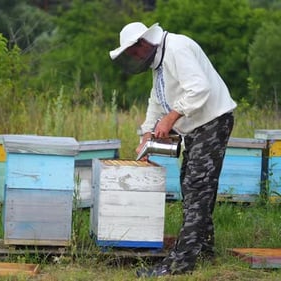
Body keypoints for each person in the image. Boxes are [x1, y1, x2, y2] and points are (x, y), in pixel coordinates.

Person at [109, 22, 237, 277]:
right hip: (197, 127)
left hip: (211, 122)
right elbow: (156, 100)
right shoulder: (159, 61)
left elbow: (200, 87)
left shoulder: (177, 48)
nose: (133, 58)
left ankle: (179, 265)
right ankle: (203, 250)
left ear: (143, 43)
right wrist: (148, 131)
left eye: (132, 52)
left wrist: (170, 119)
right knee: (193, 185)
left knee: (197, 187)